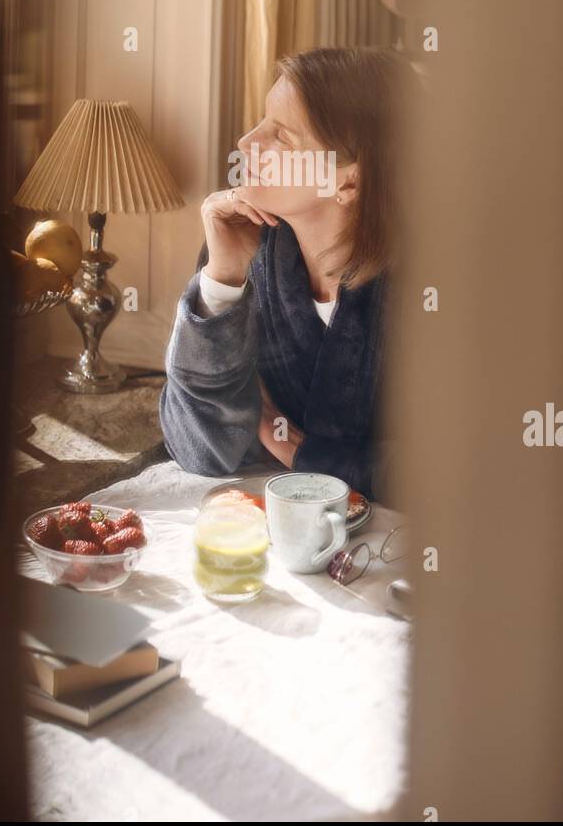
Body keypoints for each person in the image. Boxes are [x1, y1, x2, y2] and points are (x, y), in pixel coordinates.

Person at [159, 46, 415, 502]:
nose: (245, 143)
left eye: (282, 136)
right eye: (261, 122)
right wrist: (221, 283)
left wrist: (301, 453)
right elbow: (202, 452)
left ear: (348, 181)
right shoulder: (243, 250)